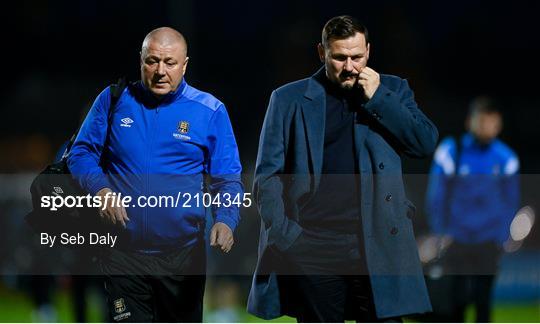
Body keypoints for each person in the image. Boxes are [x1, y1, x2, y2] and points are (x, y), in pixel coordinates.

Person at [247, 15, 438, 322]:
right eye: (339, 57)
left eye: (357, 56)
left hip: (378, 241)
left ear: (369, 51)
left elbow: (423, 143)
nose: (350, 66)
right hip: (312, 245)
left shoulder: (393, 90)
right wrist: (288, 237)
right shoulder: (287, 99)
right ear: (322, 53)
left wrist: (380, 98)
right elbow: (267, 176)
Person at [68, 27, 243, 322]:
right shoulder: (112, 100)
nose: (160, 70)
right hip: (122, 253)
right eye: (152, 61)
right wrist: (101, 190)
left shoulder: (210, 111)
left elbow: (227, 178)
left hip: (183, 258)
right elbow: (80, 154)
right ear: (140, 61)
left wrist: (226, 219)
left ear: (184, 65)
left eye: (170, 63)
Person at [425, 96, 519, 322]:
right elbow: (436, 196)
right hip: (456, 239)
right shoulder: (451, 151)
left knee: (483, 301)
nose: (488, 126)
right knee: (455, 301)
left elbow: (511, 201)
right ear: (470, 122)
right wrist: (441, 231)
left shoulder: (506, 158)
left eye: (493, 121)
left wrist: (503, 236)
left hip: (488, 241)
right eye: (483, 120)